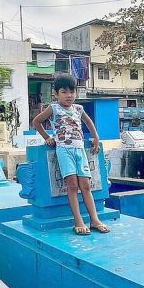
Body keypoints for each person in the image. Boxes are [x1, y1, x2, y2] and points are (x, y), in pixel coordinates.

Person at [32, 73, 110, 235]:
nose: (69, 95)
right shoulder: (53, 108)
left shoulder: (78, 109)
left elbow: (88, 122)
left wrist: (96, 137)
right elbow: (37, 121)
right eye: (64, 92)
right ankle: (78, 221)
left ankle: (94, 219)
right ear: (56, 94)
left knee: (86, 185)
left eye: (72, 92)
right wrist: (47, 137)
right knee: (72, 185)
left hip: (80, 149)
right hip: (64, 150)